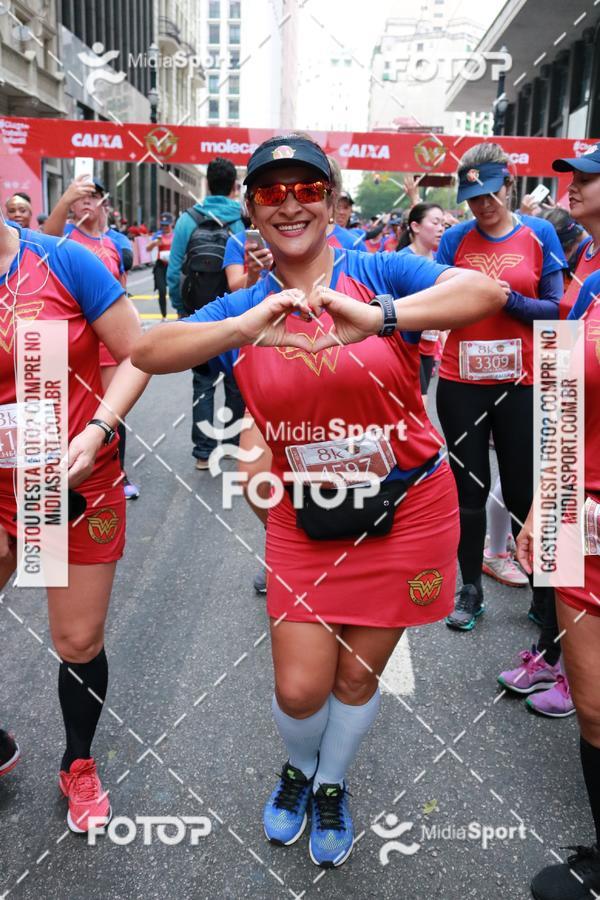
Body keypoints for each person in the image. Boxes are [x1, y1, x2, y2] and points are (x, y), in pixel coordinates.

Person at [132, 133, 504, 868]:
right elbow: (146, 351)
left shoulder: (376, 270)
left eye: (308, 189)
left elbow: (485, 293)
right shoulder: (246, 305)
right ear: (252, 211)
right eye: (272, 192)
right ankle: (298, 767)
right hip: (305, 517)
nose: (291, 204)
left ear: (334, 202)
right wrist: (243, 326)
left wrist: (381, 317)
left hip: (407, 509)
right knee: (301, 688)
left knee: (356, 675)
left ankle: (329, 784)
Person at [0, 214, 148, 831]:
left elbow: (144, 351)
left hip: (71, 483)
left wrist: (99, 427)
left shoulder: (64, 261)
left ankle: (78, 762)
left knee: (77, 642)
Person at [435, 142, 568, 635]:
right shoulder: (455, 240)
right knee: (467, 491)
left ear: (508, 185)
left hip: (522, 383)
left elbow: (556, 309)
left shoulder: (540, 233)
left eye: (491, 193)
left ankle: (543, 594)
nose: (483, 205)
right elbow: (437, 302)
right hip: (461, 382)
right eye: (473, 198)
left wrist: (506, 299)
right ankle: (469, 587)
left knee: (523, 491)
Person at [521, 268, 600, 898]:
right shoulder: (591, 283)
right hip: (580, 521)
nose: (574, 187)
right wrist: (544, 503)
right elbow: (563, 395)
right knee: (595, 709)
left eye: (588, 175)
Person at [44, 177, 140, 500]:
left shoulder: (113, 242)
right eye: (80, 197)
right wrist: (65, 199)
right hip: (76, 341)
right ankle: (65, 472)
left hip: (109, 341)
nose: (87, 202)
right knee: (75, 408)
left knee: (112, 410)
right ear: (71, 204)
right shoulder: (64, 236)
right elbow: (44, 238)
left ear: (104, 204)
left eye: (94, 197)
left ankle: (116, 472)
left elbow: (120, 287)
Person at [167, 157, 246, 470]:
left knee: (202, 382)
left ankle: (202, 452)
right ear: (233, 187)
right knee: (235, 381)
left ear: (207, 183)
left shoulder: (188, 219)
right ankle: (232, 444)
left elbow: (174, 269)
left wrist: (180, 307)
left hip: (198, 314)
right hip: (234, 314)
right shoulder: (242, 220)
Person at [396, 203, 445, 401]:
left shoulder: (439, 261)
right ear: (415, 227)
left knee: (417, 409)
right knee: (420, 405)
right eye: (436, 222)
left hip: (428, 348)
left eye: (443, 223)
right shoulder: (399, 261)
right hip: (404, 347)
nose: (442, 228)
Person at [552, 143, 600, 318]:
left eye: (585, 180)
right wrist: (537, 345)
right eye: (573, 179)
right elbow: (570, 324)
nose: (570, 188)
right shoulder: (585, 248)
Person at [146, 213, 174, 319]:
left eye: (167, 225)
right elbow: (147, 249)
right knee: (162, 290)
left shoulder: (175, 235)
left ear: (171, 224)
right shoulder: (158, 235)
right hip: (160, 265)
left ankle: (181, 313)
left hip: (173, 265)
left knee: (176, 290)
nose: (165, 227)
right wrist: (154, 243)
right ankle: (164, 315)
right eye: (163, 225)